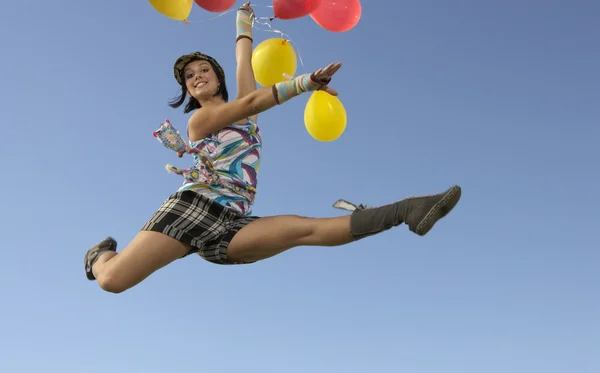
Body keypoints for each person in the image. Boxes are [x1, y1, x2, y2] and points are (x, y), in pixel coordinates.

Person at [84, 2, 462, 294]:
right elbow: (251, 103)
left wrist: (243, 23)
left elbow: (243, 66)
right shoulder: (199, 122)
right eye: (189, 77)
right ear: (187, 90)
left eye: (203, 70)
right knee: (113, 280)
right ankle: (99, 254)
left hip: (233, 219)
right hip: (195, 206)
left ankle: (411, 209)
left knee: (304, 231)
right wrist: (305, 82)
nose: (197, 77)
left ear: (217, 79)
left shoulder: (245, 112)